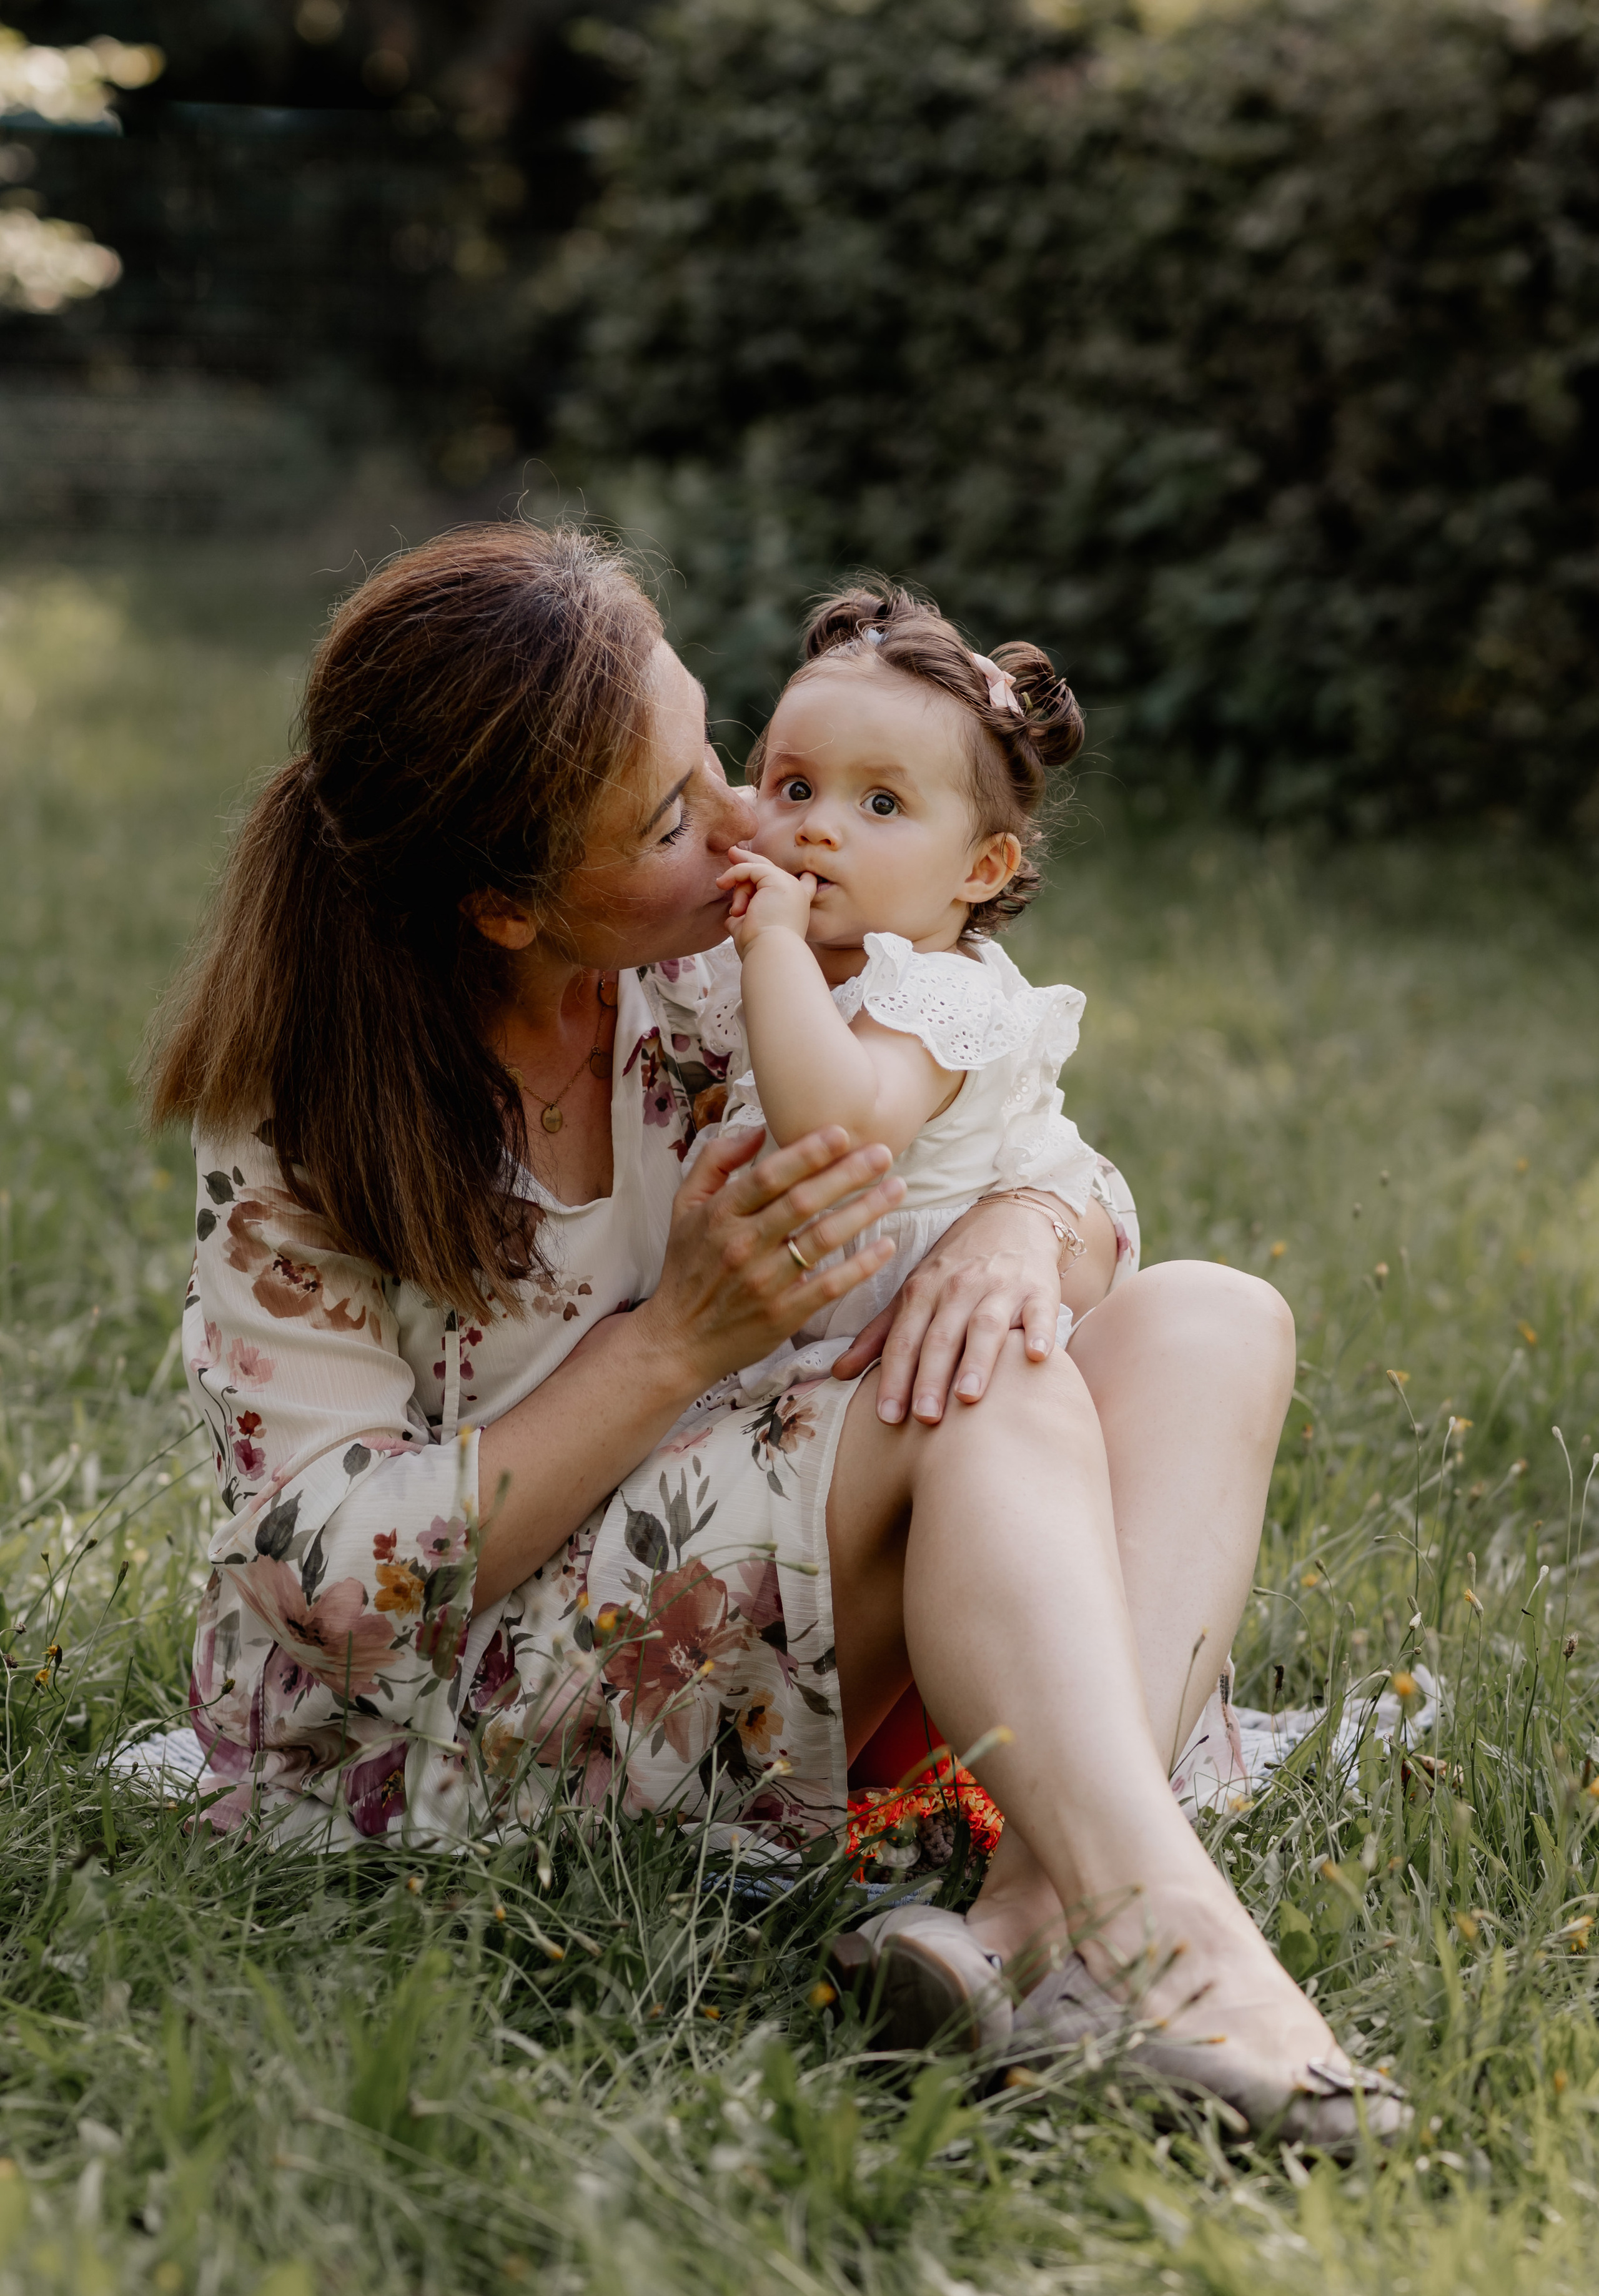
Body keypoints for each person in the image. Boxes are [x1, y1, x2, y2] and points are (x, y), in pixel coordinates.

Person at [144, 522, 1402, 2147]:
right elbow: (332, 1593)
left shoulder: (725, 961)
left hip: (794, 1554)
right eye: (677, 817)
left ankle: (1031, 1921)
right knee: (983, 1393)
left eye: (718, 755)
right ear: (508, 909)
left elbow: (1029, 1147)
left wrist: (1026, 1227)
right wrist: (672, 1343)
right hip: (460, 1710)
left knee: (1209, 1320)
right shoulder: (306, 1119)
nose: (758, 826)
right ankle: (1181, 1946)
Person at [688, 580, 1136, 1417]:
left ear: (982, 869)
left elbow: (834, 1135)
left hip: (936, 1359)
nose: (819, 827)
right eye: (794, 788)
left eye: (883, 803)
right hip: (816, 1367)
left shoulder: (940, 991)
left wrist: (773, 946)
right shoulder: (771, 955)